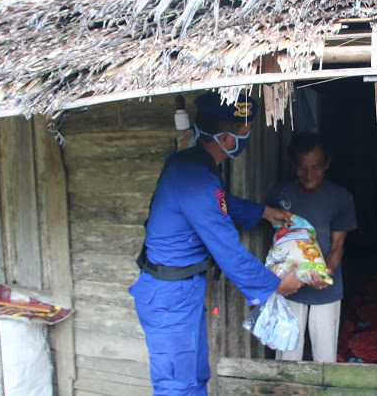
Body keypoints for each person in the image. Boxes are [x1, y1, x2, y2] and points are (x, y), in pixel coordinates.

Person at [128, 91, 304, 395]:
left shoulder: (193, 163)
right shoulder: (195, 176)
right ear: (225, 138)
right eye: (245, 132)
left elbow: (217, 204)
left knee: (196, 376)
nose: (247, 137)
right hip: (169, 296)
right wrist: (275, 285)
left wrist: (263, 212)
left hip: (182, 289)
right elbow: (229, 252)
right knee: (176, 386)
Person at [267, 132, 357, 362]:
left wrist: (324, 273)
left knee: (325, 360)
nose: (309, 175)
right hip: (289, 288)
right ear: (293, 164)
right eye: (302, 167)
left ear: (326, 164)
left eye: (316, 167)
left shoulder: (340, 198)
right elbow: (277, 243)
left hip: (326, 289)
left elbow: (337, 247)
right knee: (287, 358)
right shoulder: (280, 194)